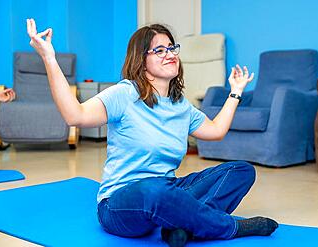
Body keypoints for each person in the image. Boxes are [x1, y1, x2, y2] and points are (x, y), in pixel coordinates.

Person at [26, 18, 278, 247]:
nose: (170, 54)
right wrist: (49, 58)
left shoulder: (181, 106)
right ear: (141, 60)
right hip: (120, 205)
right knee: (154, 191)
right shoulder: (125, 94)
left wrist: (236, 91)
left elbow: (216, 131)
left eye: (171, 48)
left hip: (167, 190)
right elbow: (75, 116)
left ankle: (182, 227)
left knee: (241, 170)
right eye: (159, 50)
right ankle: (228, 227)